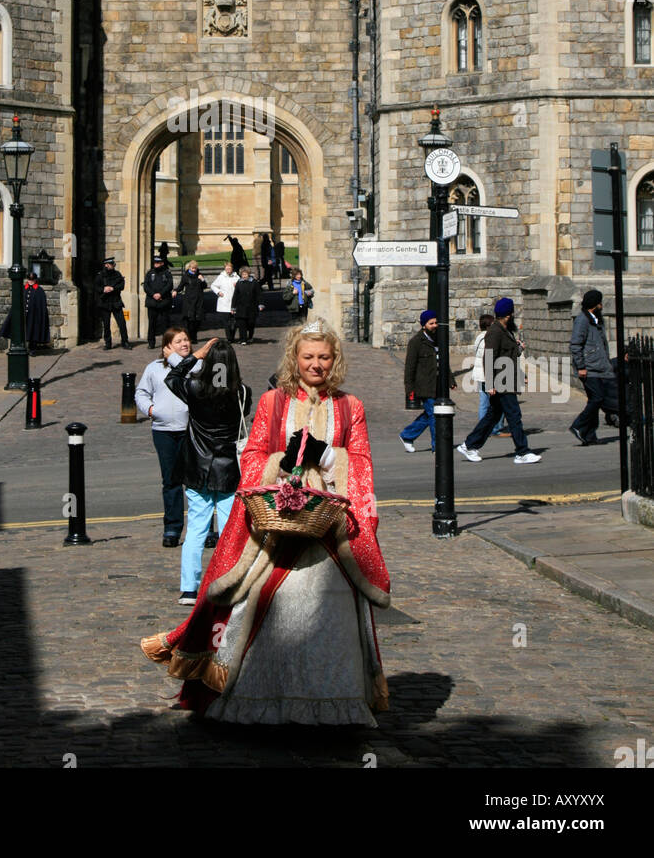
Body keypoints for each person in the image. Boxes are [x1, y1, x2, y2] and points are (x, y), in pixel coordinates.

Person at [141, 317, 391, 723]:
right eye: (308, 356)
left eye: (324, 357)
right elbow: (254, 455)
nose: (316, 365)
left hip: (328, 531)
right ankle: (259, 706)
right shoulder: (272, 403)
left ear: (335, 359)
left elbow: (361, 464)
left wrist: (329, 457)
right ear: (295, 358)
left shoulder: (351, 407)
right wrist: (282, 461)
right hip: (276, 528)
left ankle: (331, 711)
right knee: (264, 610)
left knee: (329, 614)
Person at [163, 338, 252, 605]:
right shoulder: (241, 392)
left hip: (198, 466)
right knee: (227, 531)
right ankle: (225, 582)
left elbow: (172, 377)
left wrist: (196, 357)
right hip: (227, 468)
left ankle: (189, 588)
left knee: (196, 530)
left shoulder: (194, 387)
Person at [135, 326, 207, 547]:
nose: (185, 344)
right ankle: (172, 528)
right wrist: (150, 410)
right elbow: (141, 392)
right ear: (167, 347)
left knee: (197, 482)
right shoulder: (154, 368)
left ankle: (203, 530)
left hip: (190, 429)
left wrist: (177, 359)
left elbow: (190, 378)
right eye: (179, 341)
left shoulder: (198, 366)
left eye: (186, 340)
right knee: (171, 481)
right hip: (164, 431)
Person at [457, 297, 541, 465]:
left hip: (506, 379)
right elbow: (489, 357)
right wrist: (490, 384)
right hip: (500, 381)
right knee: (514, 415)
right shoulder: (495, 331)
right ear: (509, 315)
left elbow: (507, 355)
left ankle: (469, 445)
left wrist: (518, 350)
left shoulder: (504, 330)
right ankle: (522, 451)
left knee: (492, 416)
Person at [398, 309, 456, 452]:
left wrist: (450, 380)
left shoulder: (438, 340)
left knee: (430, 414)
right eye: (431, 323)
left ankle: (407, 435)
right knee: (434, 415)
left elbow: (443, 362)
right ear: (424, 325)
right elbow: (409, 368)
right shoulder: (416, 342)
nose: (435, 325)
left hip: (438, 385)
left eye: (436, 322)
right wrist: (409, 389)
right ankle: (438, 446)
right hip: (424, 386)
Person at [569, 289, 619, 446]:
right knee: (598, 398)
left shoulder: (596, 319)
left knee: (595, 399)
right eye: (599, 303)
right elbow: (575, 345)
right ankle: (579, 425)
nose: (601, 305)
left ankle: (589, 435)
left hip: (598, 367)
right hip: (589, 368)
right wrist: (581, 366)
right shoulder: (582, 320)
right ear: (595, 304)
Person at [472, 313, 507, 436]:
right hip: (487, 374)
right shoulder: (489, 337)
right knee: (496, 402)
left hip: (480, 374)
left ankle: (484, 429)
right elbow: (488, 357)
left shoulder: (479, 337)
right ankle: (494, 428)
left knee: (484, 403)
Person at [94, 257, 131, 350]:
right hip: (105, 303)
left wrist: (113, 288)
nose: (110, 266)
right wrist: (104, 289)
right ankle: (108, 343)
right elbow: (96, 287)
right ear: (106, 265)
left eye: (111, 264)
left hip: (116, 302)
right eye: (109, 264)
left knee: (122, 323)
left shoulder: (117, 274)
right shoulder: (100, 275)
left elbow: (121, 286)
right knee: (106, 324)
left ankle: (125, 342)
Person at [143, 253, 174, 350]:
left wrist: (160, 294)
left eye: (158, 263)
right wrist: (153, 294)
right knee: (152, 323)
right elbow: (146, 286)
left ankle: (166, 343)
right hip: (152, 302)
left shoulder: (167, 273)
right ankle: (151, 342)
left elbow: (169, 285)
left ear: (162, 263)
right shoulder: (150, 273)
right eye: (155, 263)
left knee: (165, 323)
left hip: (164, 301)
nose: (156, 264)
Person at [176, 261, 207, 343]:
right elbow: (180, 286)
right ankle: (191, 337)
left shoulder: (199, 275)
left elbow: (204, 286)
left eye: (195, 268)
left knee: (198, 320)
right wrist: (175, 291)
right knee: (190, 320)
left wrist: (202, 279)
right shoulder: (185, 276)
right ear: (189, 268)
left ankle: (194, 335)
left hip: (199, 300)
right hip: (189, 301)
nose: (194, 270)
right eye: (192, 268)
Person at [231, 265, 263, 344]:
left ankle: (250, 336)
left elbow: (258, 294)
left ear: (248, 274)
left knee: (250, 323)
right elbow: (235, 296)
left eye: (245, 274)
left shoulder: (254, 282)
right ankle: (243, 339)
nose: (244, 276)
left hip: (252, 307)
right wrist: (233, 307)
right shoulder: (239, 283)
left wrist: (260, 304)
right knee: (242, 324)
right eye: (243, 274)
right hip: (241, 307)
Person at [210, 261, 239, 342]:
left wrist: (237, 286)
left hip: (234, 303)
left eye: (230, 268)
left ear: (232, 268)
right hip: (224, 303)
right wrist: (218, 292)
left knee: (234, 322)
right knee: (226, 322)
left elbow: (241, 286)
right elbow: (213, 285)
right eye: (227, 268)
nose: (228, 269)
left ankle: (232, 336)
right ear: (225, 268)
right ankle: (229, 338)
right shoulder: (221, 277)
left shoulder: (236, 277)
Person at [25, 275, 51, 351]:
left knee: (34, 332)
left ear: (35, 280)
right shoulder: (24, 288)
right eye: (29, 279)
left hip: (34, 316)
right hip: (25, 315)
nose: (31, 281)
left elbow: (42, 305)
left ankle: (32, 348)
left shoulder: (39, 290)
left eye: (32, 279)